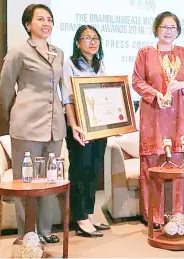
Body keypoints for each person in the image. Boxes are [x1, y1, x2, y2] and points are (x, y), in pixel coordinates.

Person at [0, 4, 64, 243]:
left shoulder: (59, 52)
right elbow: (5, 87)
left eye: (49, 19)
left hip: (54, 126)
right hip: (26, 124)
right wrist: (12, 115)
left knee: (49, 180)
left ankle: (45, 231)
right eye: (40, 19)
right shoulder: (18, 51)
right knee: (25, 183)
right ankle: (26, 234)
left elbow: (59, 88)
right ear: (28, 24)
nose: (46, 23)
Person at [132, 11, 184, 228]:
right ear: (156, 29)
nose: (168, 31)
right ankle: (154, 216)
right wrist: (155, 94)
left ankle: (177, 213)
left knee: (178, 166)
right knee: (153, 166)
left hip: (178, 115)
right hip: (153, 115)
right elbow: (136, 81)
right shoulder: (145, 53)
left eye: (172, 27)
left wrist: (183, 85)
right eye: (164, 27)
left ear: (177, 31)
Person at [62, 25, 110, 237]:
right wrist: (73, 126)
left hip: (98, 126)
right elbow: (67, 99)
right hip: (79, 126)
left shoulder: (100, 65)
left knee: (93, 170)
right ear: (77, 42)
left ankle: (89, 213)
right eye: (87, 38)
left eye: (96, 38)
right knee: (80, 170)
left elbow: (105, 95)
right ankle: (79, 217)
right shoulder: (69, 64)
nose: (93, 42)